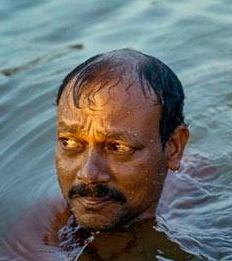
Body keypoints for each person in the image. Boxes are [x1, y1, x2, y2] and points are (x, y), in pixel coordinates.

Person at [55, 48, 190, 232]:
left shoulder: (200, 204)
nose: (88, 174)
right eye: (69, 143)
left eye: (117, 147)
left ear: (174, 148)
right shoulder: (35, 238)